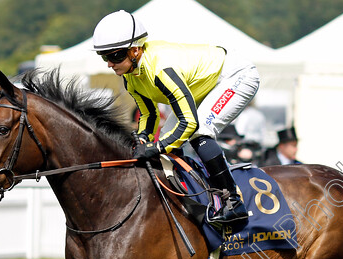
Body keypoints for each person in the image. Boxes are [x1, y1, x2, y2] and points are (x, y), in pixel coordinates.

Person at [93, 10, 260, 226]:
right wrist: (143, 138)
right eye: (105, 57)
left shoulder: (160, 69)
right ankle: (187, 198)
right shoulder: (130, 78)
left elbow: (189, 122)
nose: (110, 64)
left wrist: (158, 147)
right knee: (168, 139)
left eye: (115, 56)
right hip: (203, 86)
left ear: (135, 50)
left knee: (199, 131)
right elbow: (149, 114)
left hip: (235, 75)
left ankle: (233, 203)